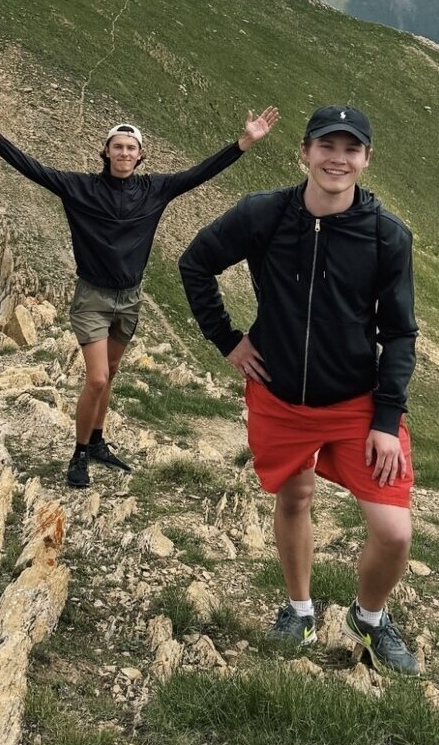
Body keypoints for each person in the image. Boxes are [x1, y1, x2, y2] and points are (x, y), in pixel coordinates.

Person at [178, 105, 420, 675]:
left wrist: (386, 422)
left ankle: (370, 617)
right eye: (326, 146)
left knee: (394, 531)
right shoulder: (264, 213)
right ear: (304, 153)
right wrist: (228, 340)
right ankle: (299, 609)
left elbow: (401, 333)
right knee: (295, 498)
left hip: (356, 403)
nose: (338, 159)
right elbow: (195, 264)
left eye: (350, 149)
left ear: (366, 159)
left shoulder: (387, 236)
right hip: (280, 396)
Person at [0, 103, 279, 488]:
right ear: (106, 151)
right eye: (118, 146)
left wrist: (242, 144)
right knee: (96, 378)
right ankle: (79, 454)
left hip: (130, 299)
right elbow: (36, 171)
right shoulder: (80, 187)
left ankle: (97, 442)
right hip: (93, 298)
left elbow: (199, 174)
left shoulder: (154, 190)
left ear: (140, 154)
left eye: (131, 148)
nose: (125, 153)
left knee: (110, 374)